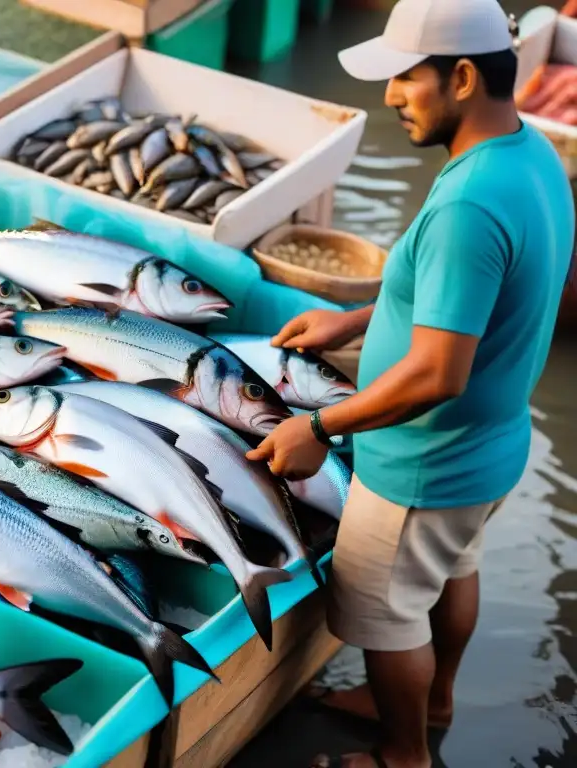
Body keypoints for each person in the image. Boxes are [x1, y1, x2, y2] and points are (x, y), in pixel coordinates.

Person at [244, 1, 576, 767]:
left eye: (404, 77)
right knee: (454, 569)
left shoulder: (467, 201)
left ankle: (402, 752)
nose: (390, 94)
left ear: (461, 76)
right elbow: (474, 298)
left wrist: (316, 430)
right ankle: (438, 702)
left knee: (386, 613)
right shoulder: (528, 158)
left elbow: (436, 372)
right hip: (493, 447)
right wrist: (354, 319)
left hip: (426, 463)